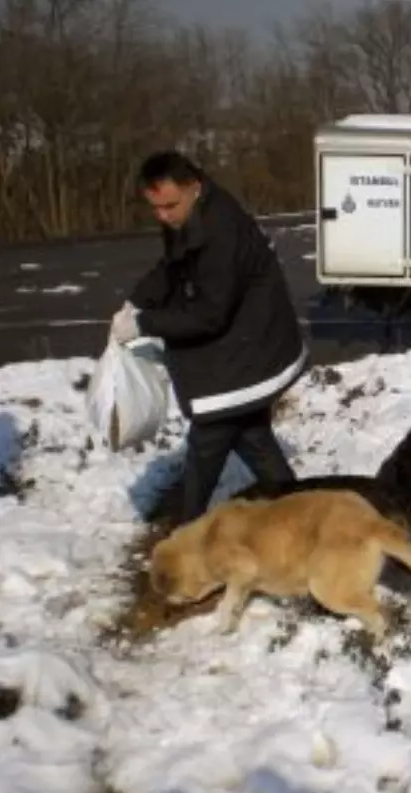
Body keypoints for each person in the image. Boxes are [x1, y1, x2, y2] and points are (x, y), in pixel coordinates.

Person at [110, 151, 308, 525]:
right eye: (155, 208)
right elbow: (172, 267)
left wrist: (145, 324)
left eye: (170, 206)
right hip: (239, 344)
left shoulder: (221, 232)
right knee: (251, 436)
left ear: (194, 187)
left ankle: (187, 535)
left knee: (210, 438)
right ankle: (304, 516)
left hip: (249, 347)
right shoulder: (191, 216)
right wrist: (136, 300)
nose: (163, 217)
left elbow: (209, 314)